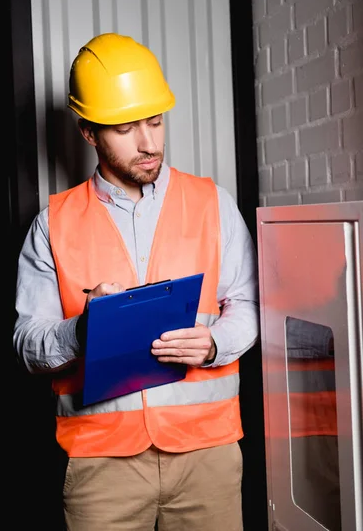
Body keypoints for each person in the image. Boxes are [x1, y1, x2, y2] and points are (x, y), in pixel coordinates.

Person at [13, 32, 260, 531]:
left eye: (155, 121)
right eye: (126, 129)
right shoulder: (52, 224)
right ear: (88, 133)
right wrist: (82, 330)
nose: (149, 143)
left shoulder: (214, 203)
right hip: (101, 468)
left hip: (207, 457)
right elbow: (27, 344)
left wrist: (213, 343)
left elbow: (249, 305)